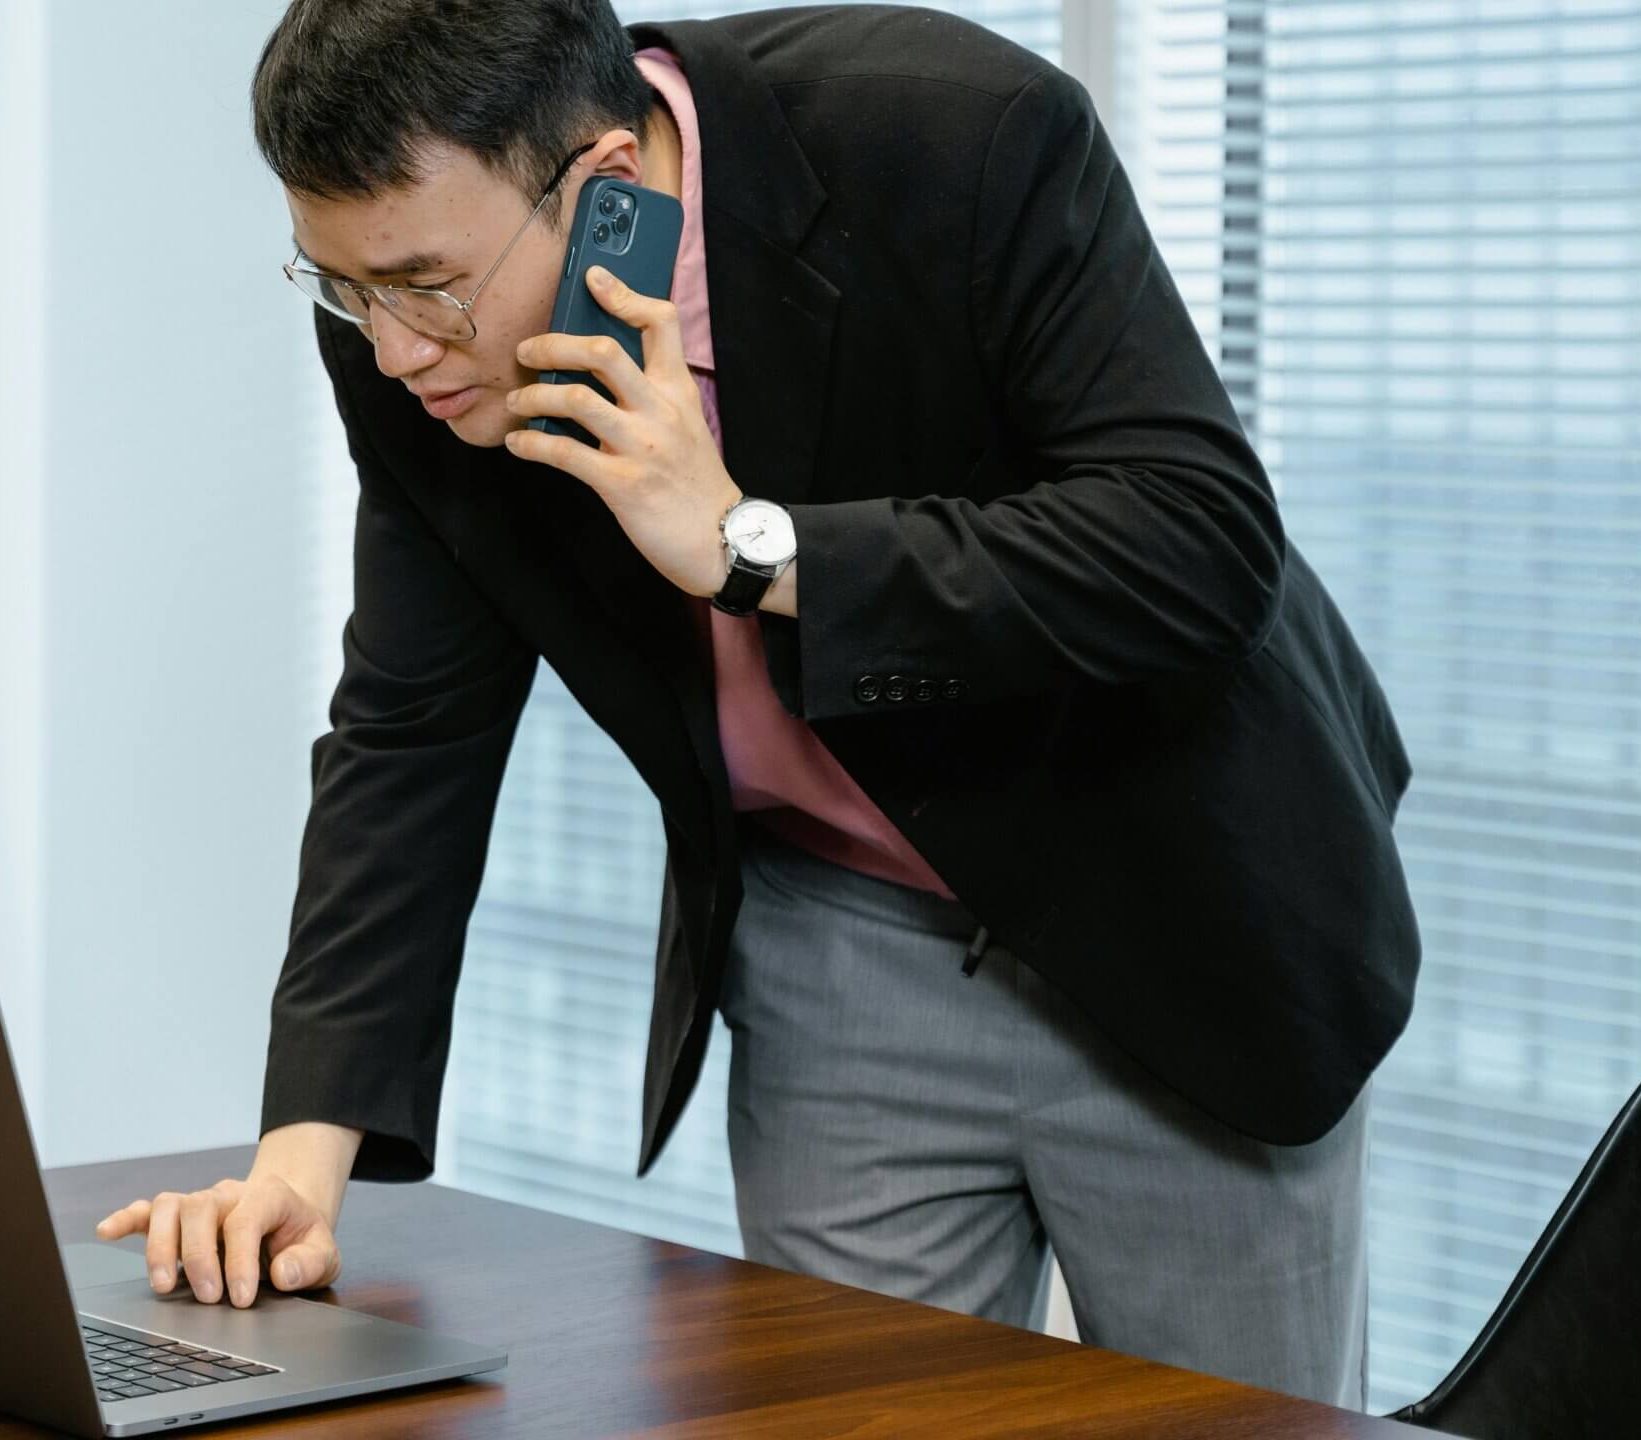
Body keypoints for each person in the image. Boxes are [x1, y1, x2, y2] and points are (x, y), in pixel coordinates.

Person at [96, 0, 1418, 1408]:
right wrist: (303, 1158)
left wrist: (749, 546)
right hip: (837, 943)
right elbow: (414, 725)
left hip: (1170, 903)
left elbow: (1195, 539)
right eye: (342, 285)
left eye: (423, 285)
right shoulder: (404, 320)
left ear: (603, 185)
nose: (395, 345)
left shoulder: (955, 131)